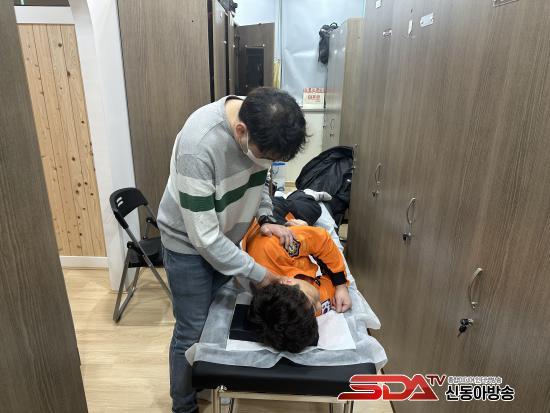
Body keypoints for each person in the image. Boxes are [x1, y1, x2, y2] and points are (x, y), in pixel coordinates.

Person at [157, 87, 307, 413]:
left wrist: (266, 217)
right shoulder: (199, 146)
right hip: (188, 245)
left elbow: (258, 181)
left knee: (216, 321)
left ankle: (203, 385)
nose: (267, 164)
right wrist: (259, 274)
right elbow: (204, 238)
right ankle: (184, 407)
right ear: (241, 131)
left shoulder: (260, 129)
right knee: (191, 332)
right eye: (267, 157)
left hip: (224, 238)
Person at [243, 216, 352, 353]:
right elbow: (329, 287)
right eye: (314, 311)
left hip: (278, 218)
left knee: (311, 207)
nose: (319, 306)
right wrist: (341, 289)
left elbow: (322, 240)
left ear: (287, 282)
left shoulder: (273, 246)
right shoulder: (299, 311)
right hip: (296, 250)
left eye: (314, 304)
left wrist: (341, 284)